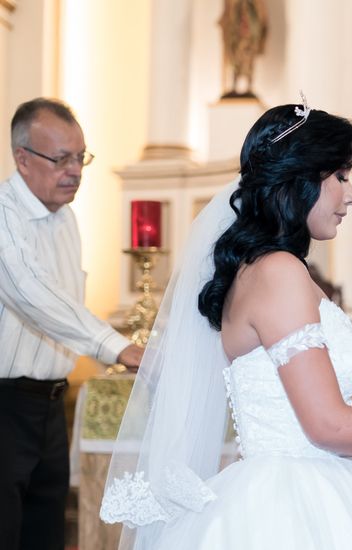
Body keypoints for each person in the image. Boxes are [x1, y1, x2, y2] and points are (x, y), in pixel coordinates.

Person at [99, 101, 352, 550]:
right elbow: (327, 423)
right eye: (341, 177)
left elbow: (348, 400)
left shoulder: (273, 270)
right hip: (291, 503)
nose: (350, 196)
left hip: (313, 481)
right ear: (301, 180)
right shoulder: (278, 272)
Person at [0, 98, 143, 550]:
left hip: (49, 404)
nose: (75, 170)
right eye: (60, 158)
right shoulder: (4, 216)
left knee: (45, 532)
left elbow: (63, 303)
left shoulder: (67, 219)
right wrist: (117, 347)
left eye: (80, 157)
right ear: (23, 159)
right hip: (4, 406)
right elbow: (34, 296)